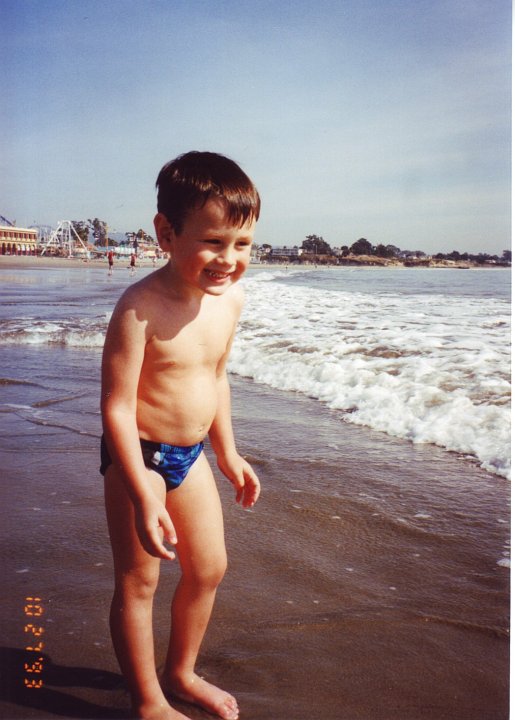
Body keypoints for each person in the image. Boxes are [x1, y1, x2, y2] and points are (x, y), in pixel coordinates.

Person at [100, 151, 261, 720]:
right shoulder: (140, 308)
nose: (229, 259)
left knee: (209, 567)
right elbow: (117, 408)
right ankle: (148, 702)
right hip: (136, 457)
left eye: (242, 244)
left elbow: (214, 376)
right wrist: (142, 489)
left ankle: (181, 672)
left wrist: (227, 451)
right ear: (166, 233)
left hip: (189, 456)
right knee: (139, 580)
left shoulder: (229, 301)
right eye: (214, 241)